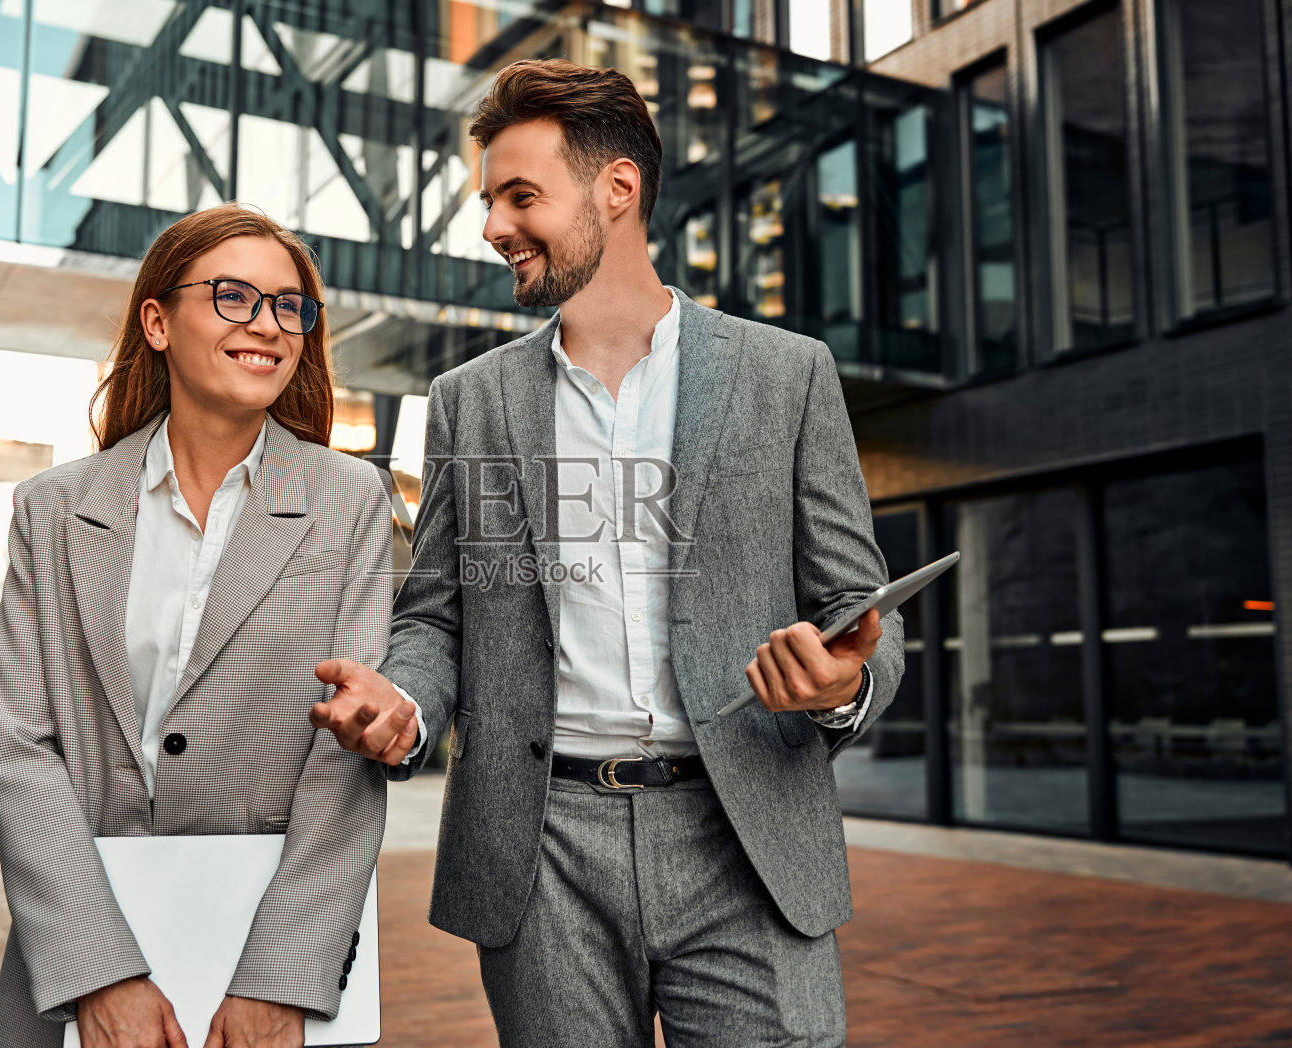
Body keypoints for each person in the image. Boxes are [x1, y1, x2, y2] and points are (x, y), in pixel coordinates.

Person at [311, 60, 904, 1047]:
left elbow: (863, 609)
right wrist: (403, 702)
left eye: (520, 196)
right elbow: (438, 614)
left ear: (616, 188)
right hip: (543, 850)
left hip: (747, 835)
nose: (494, 226)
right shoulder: (470, 401)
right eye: (489, 202)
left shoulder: (787, 374)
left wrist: (841, 685)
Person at [0, 203, 391, 1048]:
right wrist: (97, 973)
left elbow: (342, 765)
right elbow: (20, 742)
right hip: (79, 954)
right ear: (158, 322)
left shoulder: (348, 501)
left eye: (290, 306)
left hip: (266, 958)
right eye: (233, 296)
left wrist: (278, 977)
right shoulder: (53, 508)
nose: (268, 325)